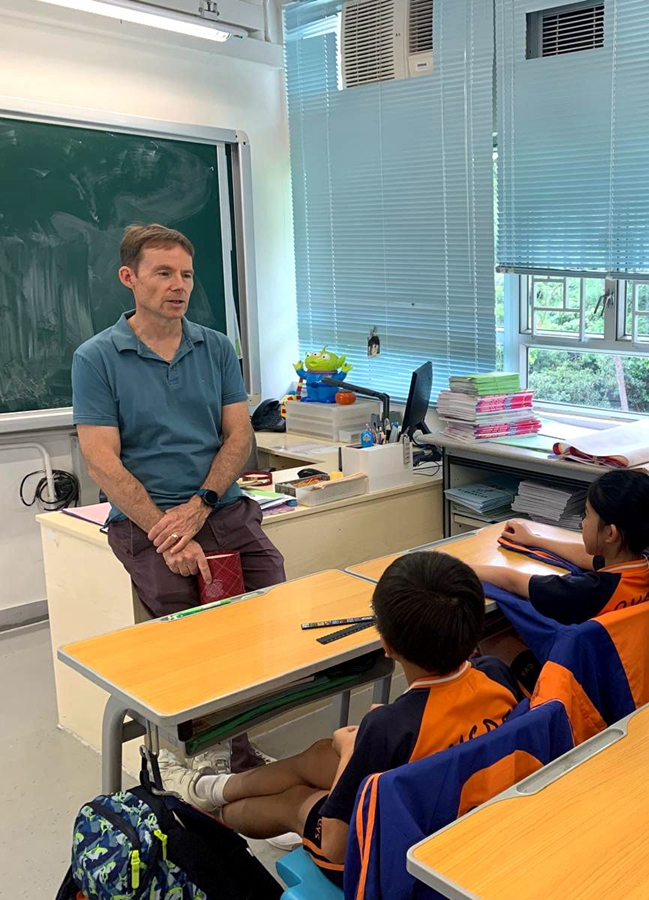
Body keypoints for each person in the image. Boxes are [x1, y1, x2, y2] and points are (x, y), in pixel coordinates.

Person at [161, 551, 523, 887]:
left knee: (297, 800)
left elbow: (336, 845)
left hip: (387, 855)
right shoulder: (495, 673)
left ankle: (210, 813)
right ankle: (208, 788)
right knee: (319, 755)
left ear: (386, 645)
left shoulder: (389, 728)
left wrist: (352, 749)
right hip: (454, 803)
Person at [73, 223, 285, 772]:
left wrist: (201, 504)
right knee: (192, 636)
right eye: (164, 273)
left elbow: (238, 434)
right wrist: (165, 530)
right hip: (146, 522)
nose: (179, 285)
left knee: (268, 607)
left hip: (221, 508)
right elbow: (101, 459)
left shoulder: (215, 347)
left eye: (186, 275)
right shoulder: (97, 358)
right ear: (129, 277)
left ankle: (235, 746)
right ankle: (204, 760)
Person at [472, 469, 649, 627]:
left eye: (587, 515)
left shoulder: (588, 592)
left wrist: (460, 566)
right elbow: (583, 557)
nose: (582, 523)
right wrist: (534, 539)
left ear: (610, 534)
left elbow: (512, 581)